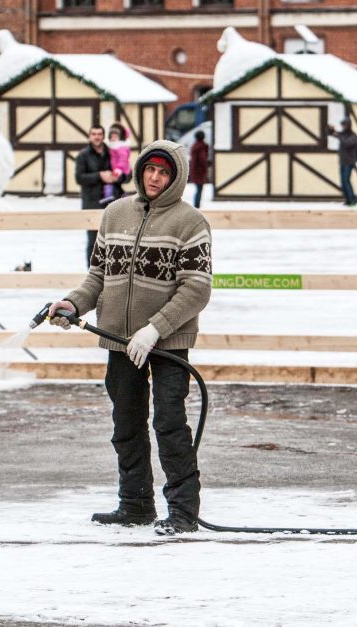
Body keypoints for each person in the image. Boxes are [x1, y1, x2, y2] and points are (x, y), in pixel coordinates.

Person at [46, 141, 212, 536]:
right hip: (120, 340)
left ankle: (184, 512)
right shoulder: (114, 214)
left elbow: (197, 288)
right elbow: (98, 277)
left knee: (170, 423)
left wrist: (155, 328)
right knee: (126, 423)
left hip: (167, 342)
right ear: (139, 171)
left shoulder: (190, 223)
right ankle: (135, 503)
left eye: (164, 172)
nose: (155, 178)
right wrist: (73, 304)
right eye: (150, 170)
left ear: (176, 178)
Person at [75, 125, 117, 266]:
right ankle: (91, 274)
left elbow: (126, 173)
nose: (97, 136)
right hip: (91, 203)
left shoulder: (113, 153)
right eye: (93, 134)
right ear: (89, 136)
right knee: (93, 241)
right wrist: (99, 175)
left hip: (112, 203)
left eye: (99, 134)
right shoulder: (83, 155)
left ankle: (111, 273)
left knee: (112, 241)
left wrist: (117, 176)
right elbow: (79, 178)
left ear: (103, 136)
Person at [327, 118, 357, 206]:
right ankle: (347, 199)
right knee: (343, 182)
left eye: (344, 125)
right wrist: (331, 129)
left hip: (349, 162)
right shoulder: (343, 134)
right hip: (343, 161)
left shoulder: (353, 136)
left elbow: (346, 143)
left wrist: (339, 136)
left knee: (346, 180)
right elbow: (333, 134)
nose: (343, 127)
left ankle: (352, 199)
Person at [101, 124, 131, 205]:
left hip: (121, 169)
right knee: (112, 184)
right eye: (112, 137)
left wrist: (119, 169)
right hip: (116, 168)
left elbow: (123, 160)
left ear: (120, 137)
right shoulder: (112, 147)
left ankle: (109, 195)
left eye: (115, 136)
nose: (113, 138)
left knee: (110, 181)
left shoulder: (121, 147)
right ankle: (121, 196)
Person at [189, 130, 209, 208]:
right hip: (199, 172)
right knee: (199, 189)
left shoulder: (195, 146)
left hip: (195, 170)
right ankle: (197, 205)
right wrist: (205, 168)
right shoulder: (201, 147)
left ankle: (196, 205)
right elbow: (203, 159)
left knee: (198, 189)